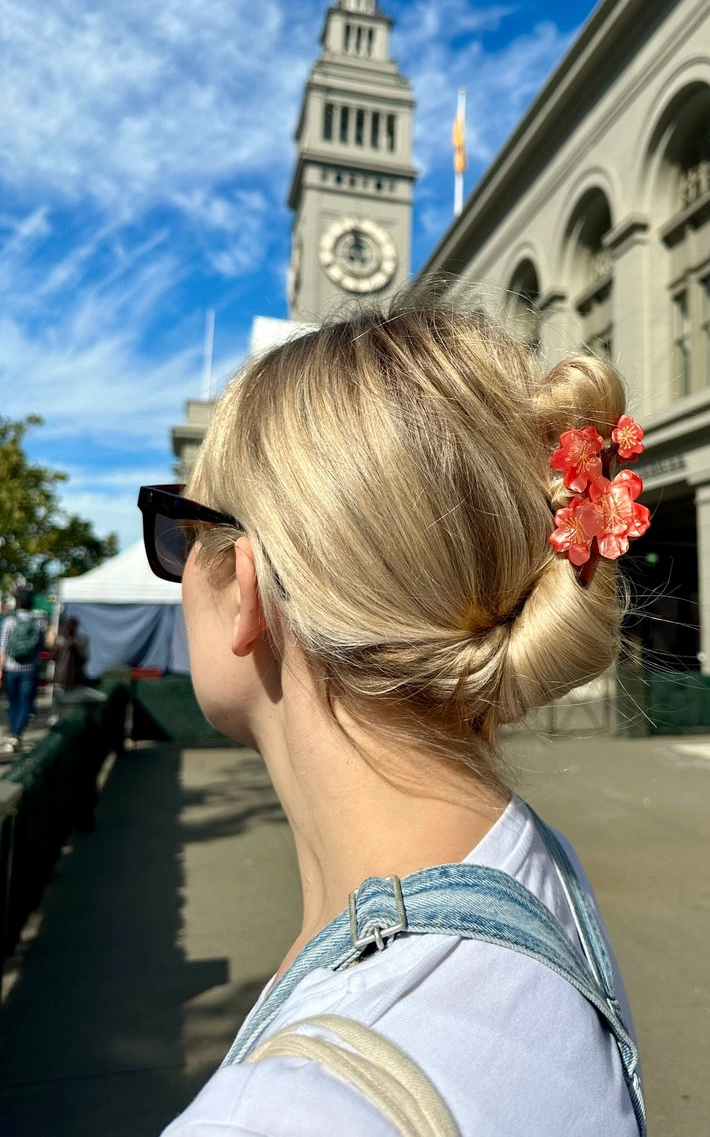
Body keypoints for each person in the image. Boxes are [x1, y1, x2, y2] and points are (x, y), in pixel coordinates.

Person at [140, 297, 649, 1136]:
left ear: (250, 592)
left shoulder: (276, 1117)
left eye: (185, 530)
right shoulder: (531, 857)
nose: (181, 566)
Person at [0, 586, 44, 753]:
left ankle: (13, 733)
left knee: (13, 702)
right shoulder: (38, 621)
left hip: (11, 667)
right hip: (30, 668)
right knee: (26, 702)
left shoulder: (10, 621)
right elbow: (41, 647)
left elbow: (2, 647)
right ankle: (17, 734)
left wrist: (1, 669)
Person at [48, 616, 90, 725]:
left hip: (64, 677)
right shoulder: (79, 640)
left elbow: (53, 657)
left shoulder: (71, 641)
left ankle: (58, 718)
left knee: (61, 699)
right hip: (68, 677)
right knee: (62, 699)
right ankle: (59, 718)